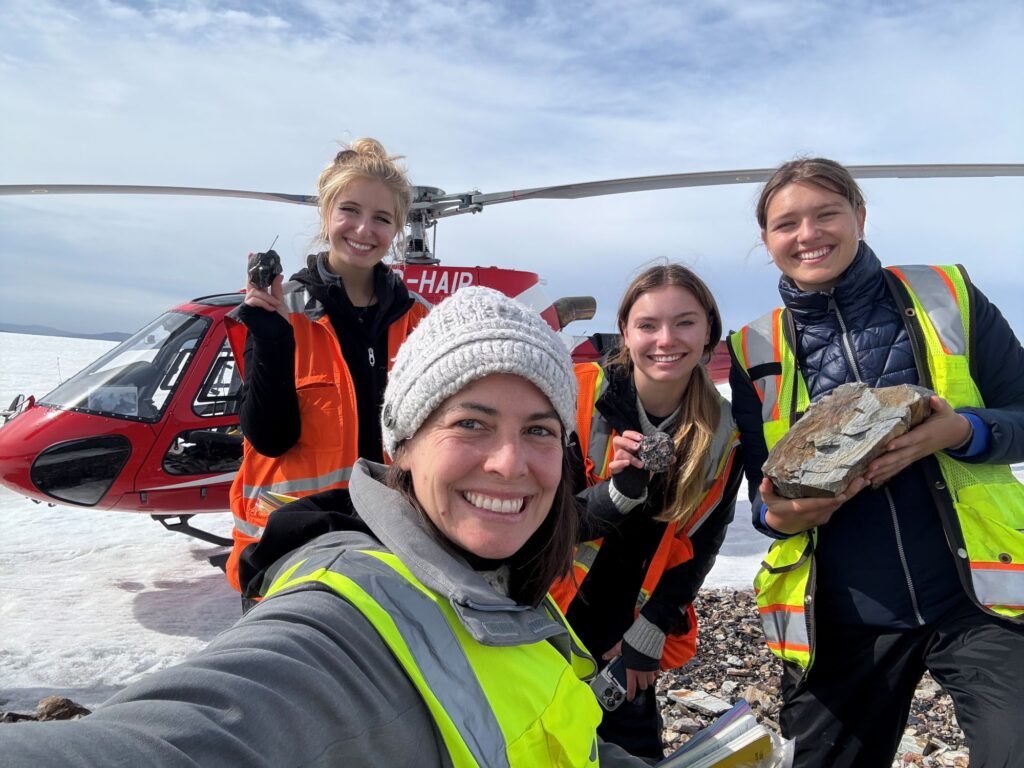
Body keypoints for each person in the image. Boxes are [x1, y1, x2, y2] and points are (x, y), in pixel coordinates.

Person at [1, 287, 653, 767]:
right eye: (470, 423)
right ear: (403, 443)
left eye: (538, 429)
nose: (510, 462)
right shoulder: (344, 618)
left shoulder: (503, 577)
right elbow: (189, 739)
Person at [728, 157, 1024, 767]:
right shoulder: (752, 348)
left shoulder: (947, 294)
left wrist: (960, 431)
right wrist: (779, 515)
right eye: (787, 224)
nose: (808, 234)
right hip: (843, 618)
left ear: (860, 217)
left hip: (972, 602)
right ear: (767, 241)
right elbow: (761, 491)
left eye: (826, 213)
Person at [551, 264, 743, 760]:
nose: (666, 339)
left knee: (633, 754)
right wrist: (618, 494)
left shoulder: (724, 431)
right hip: (544, 615)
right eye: (648, 325)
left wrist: (654, 626)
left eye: (684, 322)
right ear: (625, 333)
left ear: (708, 334)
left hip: (627, 633)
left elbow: (704, 541)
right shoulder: (574, 397)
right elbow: (538, 528)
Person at [224, 137, 429, 594]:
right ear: (326, 214)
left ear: (396, 229)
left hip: (394, 546)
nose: (363, 229)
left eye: (382, 218)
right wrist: (273, 339)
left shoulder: (419, 320)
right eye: (350, 210)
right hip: (290, 553)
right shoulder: (283, 311)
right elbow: (269, 439)